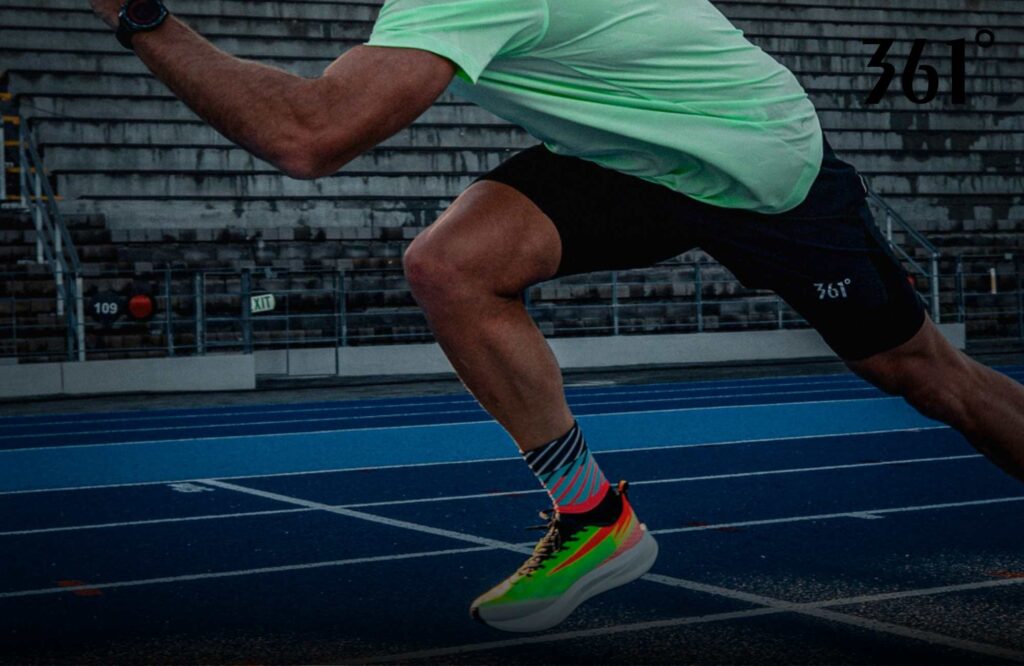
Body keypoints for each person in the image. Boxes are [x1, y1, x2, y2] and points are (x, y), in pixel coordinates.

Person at [90, 0, 1024, 633]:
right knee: (450, 266)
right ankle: (592, 516)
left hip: (754, 158)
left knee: (922, 374)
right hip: (634, 150)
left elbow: (307, 136)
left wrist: (139, 17)